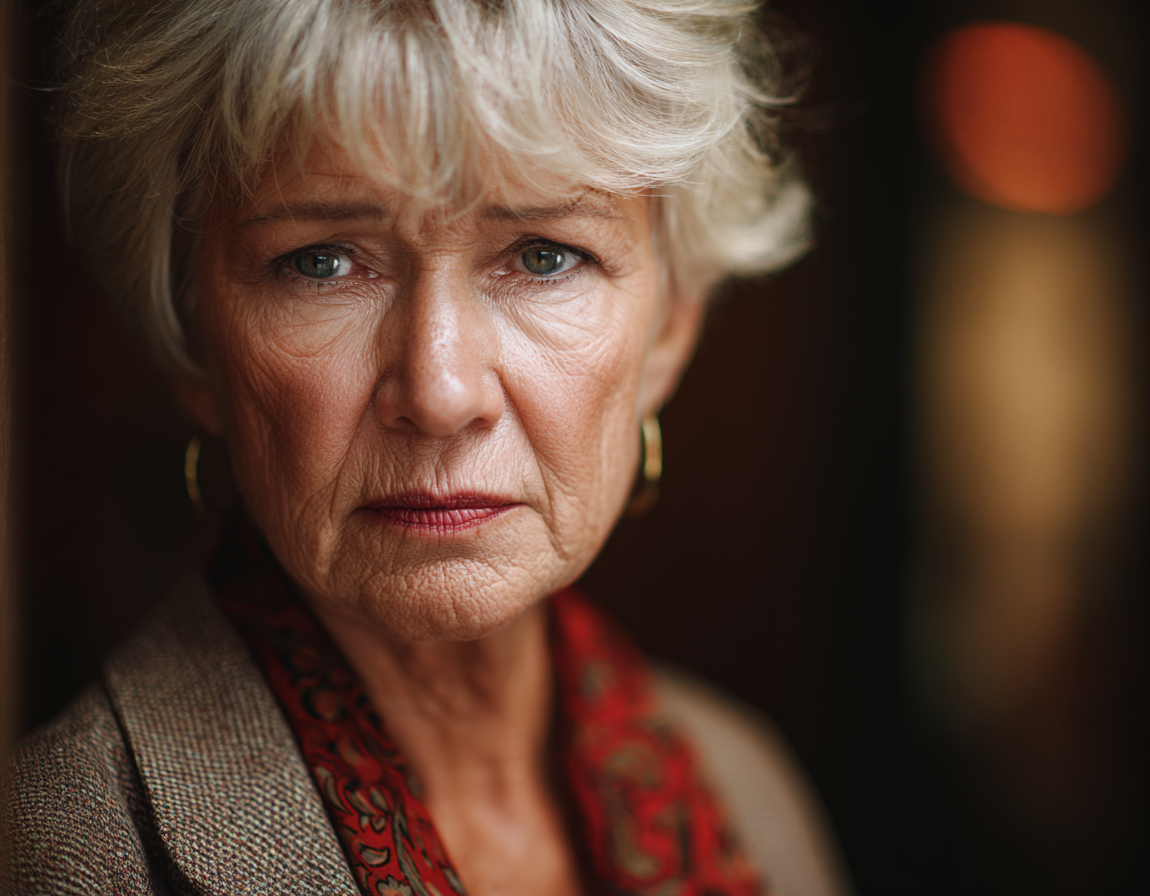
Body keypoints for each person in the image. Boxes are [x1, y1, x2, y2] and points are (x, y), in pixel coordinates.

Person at [1, 0, 849, 894]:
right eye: (324, 261)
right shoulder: (69, 853)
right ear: (192, 338)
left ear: (671, 331)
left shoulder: (747, 789)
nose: (440, 393)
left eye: (543, 255)